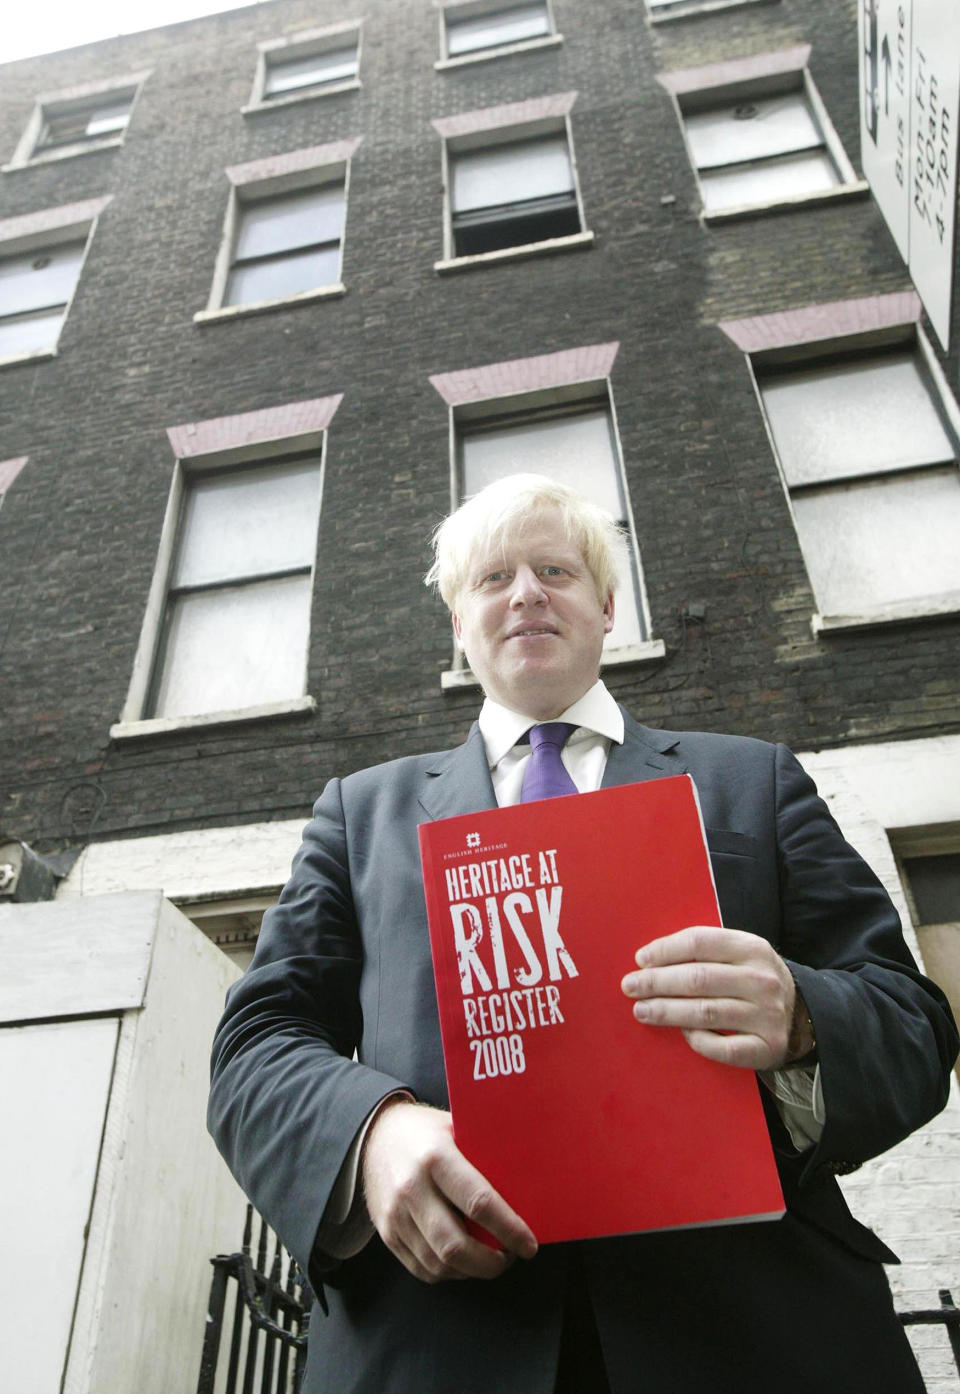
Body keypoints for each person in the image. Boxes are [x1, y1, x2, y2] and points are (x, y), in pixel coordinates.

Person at [209, 473, 958, 1394]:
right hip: (438, 1341)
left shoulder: (751, 781)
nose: (526, 592)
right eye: (493, 579)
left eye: (555, 569)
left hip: (755, 1331)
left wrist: (805, 1016)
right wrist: (369, 1135)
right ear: (459, 625)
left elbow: (915, 1023)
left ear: (607, 608)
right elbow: (256, 1045)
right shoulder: (360, 815)